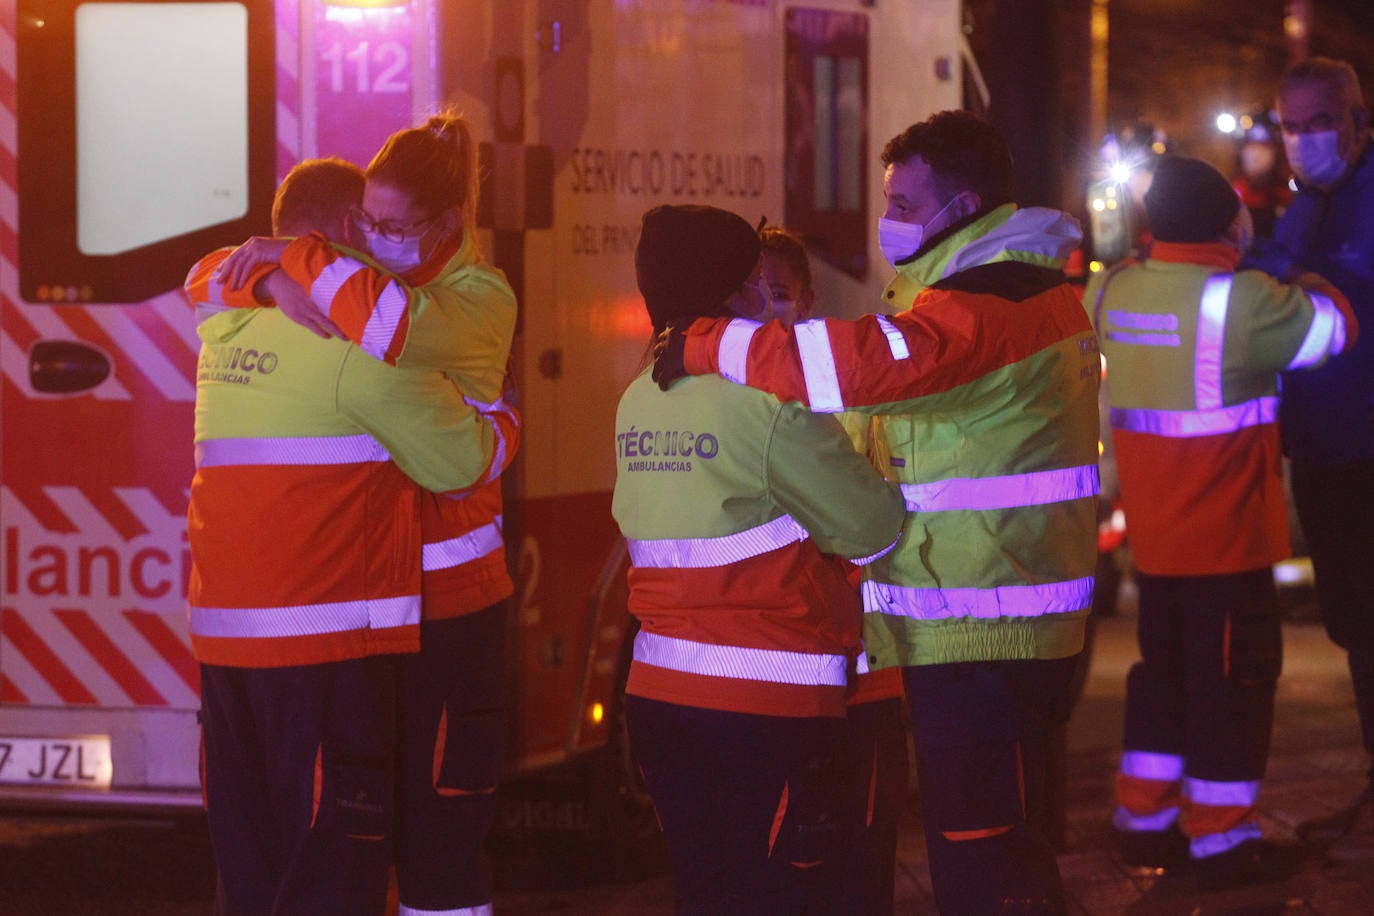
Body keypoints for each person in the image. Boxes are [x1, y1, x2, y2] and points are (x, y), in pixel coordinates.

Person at [655, 110, 1097, 915]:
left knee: (985, 854)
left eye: (903, 203)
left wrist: (703, 343)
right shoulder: (967, 293)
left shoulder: (999, 297)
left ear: (962, 208)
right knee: (982, 843)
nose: (887, 221)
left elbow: (867, 371)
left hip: (989, 622)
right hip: (975, 615)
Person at [201, 113, 519, 916]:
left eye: (395, 226)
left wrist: (272, 273)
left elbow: (203, 278)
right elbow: (463, 457)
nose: (378, 241)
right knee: (337, 871)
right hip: (337, 636)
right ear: (345, 230)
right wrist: (509, 421)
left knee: (264, 873)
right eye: (368, 227)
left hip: (264, 642)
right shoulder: (355, 349)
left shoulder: (227, 327)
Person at [616, 204, 905, 914]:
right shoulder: (767, 402)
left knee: (707, 892)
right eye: (750, 285)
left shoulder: (637, 399)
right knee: (777, 894)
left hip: (661, 698)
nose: (759, 301)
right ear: (724, 294)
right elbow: (875, 527)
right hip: (766, 704)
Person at [1087, 154, 1356, 890]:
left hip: (1156, 544)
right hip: (1226, 543)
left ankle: (1142, 823)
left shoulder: (1110, 292)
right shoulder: (1242, 302)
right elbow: (1333, 332)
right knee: (1230, 693)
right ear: (1227, 220)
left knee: (1162, 682)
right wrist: (1309, 281)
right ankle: (1221, 841)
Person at [756, 224, 910, 915]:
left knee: (858, 871)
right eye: (751, 295)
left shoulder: (849, 392)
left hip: (862, 676)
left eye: (779, 294)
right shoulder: (732, 400)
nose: (766, 311)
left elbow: (875, 519)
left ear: (808, 300)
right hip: (779, 683)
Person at [1250, 56, 1374, 845]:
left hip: (1363, 444)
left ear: (1359, 120)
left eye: (1319, 122)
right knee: (1356, 622)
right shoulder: (1304, 205)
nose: (1302, 140)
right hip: (1326, 448)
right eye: (1290, 125)